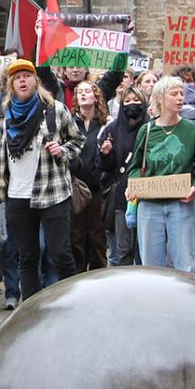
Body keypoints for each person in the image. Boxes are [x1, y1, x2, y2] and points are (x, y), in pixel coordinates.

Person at [0, 60, 85, 301]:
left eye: (27, 76)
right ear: (11, 84)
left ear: (36, 81)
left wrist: (62, 150)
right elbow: (2, 154)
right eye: (17, 78)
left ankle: (71, 303)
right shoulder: (6, 115)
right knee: (27, 257)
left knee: (60, 254)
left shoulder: (55, 109)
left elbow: (78, 140)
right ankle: (31, 310)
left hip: (52, 192)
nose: (22, 81)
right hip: (18, 194)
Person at [126, 75, 195, 272]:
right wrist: (133, 186)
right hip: (150, 206)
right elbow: (135, 167)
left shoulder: (193, 130)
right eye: (174, 94)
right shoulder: (146, 131)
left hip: (181, 205)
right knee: (151, 268)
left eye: (182, 94)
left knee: (185, 266)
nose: (180, 98)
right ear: (161, 98)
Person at [98, 87, 150, 266]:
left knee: (144, 253)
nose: (132, 104)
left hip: (148, 196)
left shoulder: (152, 129)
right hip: (121, 198)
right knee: (121, 251)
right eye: (127, 101)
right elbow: (104, 168)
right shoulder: (112, 129)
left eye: (136, 100)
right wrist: (106, 154)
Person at [69, 79, 109, 271]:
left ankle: (98, 275)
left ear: (96, 96)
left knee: (96, 236)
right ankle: (77, 277)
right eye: (80, 92)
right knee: (76, 236)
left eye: (87, 91)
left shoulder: (105, 124)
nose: (83, 94)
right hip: (75, 186)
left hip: (96, 188)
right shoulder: (69, 123)